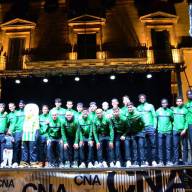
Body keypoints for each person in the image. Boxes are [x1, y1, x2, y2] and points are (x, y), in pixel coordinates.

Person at [137, 94, 157, 166]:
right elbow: (137, 118)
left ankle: (154, 160)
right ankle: (144, 161)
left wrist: (154, 127)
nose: (142, 99)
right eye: (140, 98)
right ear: (139, 100)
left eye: (143, 98)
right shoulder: (138, 107)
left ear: (145, 98)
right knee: (143, 145)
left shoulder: (150, 106)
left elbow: (154, 116)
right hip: (142, 128)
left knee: (153, 144)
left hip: (150, 127)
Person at [124, 102, 145, 167]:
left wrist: (140, 129)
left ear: (133, 107)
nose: (129, 108)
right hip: (133, 133)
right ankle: (135, 161)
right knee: (134, 147)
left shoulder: (138, 114)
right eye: (128, 107)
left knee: (141, 147)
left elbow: (143, 123)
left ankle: (142, 161)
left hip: (140, 132)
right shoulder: (127, 114)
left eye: (131, 107)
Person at [20, 104, 40, 168]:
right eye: (28, 110)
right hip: (25, 135)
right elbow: (23, 127)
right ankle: (24, 163)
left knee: (32, 150)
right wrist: (22, 135)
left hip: (32, 135)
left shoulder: (36, 117)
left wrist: (36, 135)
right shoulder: (25, 117)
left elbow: (37, 127)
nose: (29, 111)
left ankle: (33, 162)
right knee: (24, 150)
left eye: (31, 110)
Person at [156, 99, 173, 166]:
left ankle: (168, 161)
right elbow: (155, 119)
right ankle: (161, 162)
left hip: (168, 131)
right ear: (161, 104)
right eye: (163, 103)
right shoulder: (158, 111)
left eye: (165, 103)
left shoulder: (170, 111)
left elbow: (172, 119)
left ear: (167, 103)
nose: (164, 104)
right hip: (160, 131)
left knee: (168, 147)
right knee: (160, 147)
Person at [172, 97, 188, 165]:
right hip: (175, 130)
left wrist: (185, 129)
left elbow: (187, 120)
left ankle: (185, 161)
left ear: (182, 102)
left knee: (185, 146)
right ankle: (176, 160)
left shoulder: (185, 110)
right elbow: (171, 118)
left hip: (183, 130)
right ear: (176, 102)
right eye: (178, 101)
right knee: (175, 146)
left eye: (180, 101)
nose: (179, 102)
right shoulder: (174, 110)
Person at [12, 100, 25, 167]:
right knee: (16, 147)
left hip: (25, 132)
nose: (21, 105)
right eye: (20, 104)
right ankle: (15, 162)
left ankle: (22, 162)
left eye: (22, 104)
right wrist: (12, 132)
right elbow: (14, 123)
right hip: (17, 132)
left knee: (23, 147)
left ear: (24, 105)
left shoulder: (26, 112)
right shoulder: (16, 113)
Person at [185, 90, 192, 163]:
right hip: (190, 124)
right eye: (188, 94)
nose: (189, 95)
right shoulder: (186, 104)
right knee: (191, 141)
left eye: (190, 94)